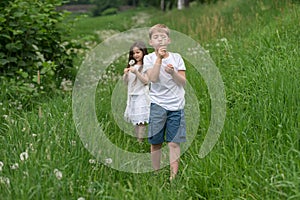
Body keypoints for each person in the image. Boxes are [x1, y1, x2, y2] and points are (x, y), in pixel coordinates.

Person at [143, 24, 187, 181]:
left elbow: (183, 82)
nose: (160, 39)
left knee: (174, 143)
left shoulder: (177, 58)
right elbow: (153, 78)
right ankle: (156, 173)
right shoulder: (148, 58)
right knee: (156, 142)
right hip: (157, 105)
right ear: (151, 42)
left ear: (169, 40)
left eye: (163, 37)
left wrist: (173, 72)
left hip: (176, 105)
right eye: (156, 37)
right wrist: (159, 60)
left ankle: (173, 177)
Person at [123, 41, 150, 143]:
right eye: (133, 53)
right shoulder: (131, 67)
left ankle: (140, 140)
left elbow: (146, 81)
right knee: (135, 119)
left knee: (141, 120)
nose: (135, 55)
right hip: (132, 96)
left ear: (143, 52)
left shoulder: (146, 66)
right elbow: (126, 82)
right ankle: (137, 140)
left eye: (138, 52)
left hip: (141, 95)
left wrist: (137, 72)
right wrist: (126, 74)